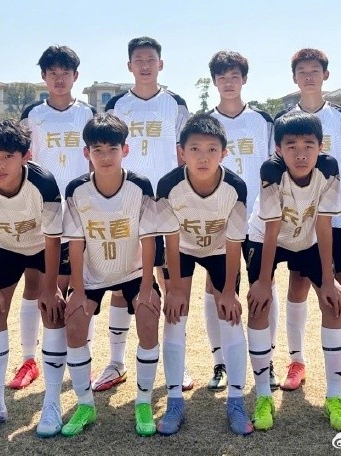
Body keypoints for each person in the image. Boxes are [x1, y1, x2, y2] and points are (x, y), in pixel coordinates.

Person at [0, 120, 67, 439]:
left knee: (53, 313)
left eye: (7, 156)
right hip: (6, 248)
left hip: (46, 247)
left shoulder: (43, 183)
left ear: (25, 156)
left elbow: (53, 238)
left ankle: (52, 402)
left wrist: (51, 287)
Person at [98, 36, 192, 393]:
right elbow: (104, 152)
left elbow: (184, 153)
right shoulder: (116, 104)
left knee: (171, 284)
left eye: (151, 59)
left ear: (160, 64)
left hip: (165, 205)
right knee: (122, 285)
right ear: (129, 66)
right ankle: (116, 362)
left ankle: (177, 365)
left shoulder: (175, 103)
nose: (145, 65)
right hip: (126, 204)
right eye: (138, 59)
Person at [246, 112, 341, 431]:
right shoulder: (271, 171)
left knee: (333, 303)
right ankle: (263, 395)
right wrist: (264, 282)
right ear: (278, 149)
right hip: (266, 239)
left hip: (307, 239)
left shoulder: (329, 168)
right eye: (291, 146)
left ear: (321, 146)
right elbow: (271, 228)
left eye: (308, 145)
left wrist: (329, 279)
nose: (301, 154)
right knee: (259, 305)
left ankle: (334, 396)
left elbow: (324, 223)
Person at [60, 113, 161, 437]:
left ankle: (143, 402)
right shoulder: (76, 189)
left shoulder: (140, 185)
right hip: (93, 274)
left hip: (133, 271)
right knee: (74, 326)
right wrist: (77, 290)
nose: (105, 157)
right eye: (97, 150)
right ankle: (85, 405)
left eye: (112, 149)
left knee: (148, 319)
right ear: (86, 152)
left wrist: (147, 287)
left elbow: (149, 239)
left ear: (125, 150)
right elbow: (75, 243)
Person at [156, 113, 252, 436]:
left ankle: (236, 400)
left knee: (230, 314)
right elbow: (170, 239)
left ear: (224, 153)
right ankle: (174, 401)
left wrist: (229, 291)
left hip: (220, 250)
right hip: (182, 250)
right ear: (181, 152)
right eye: (195, 149)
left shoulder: (235, 187)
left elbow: (235, 242)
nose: (203, 157)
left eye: (212, 150)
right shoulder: (168, 185)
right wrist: (174, 288)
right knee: (175, 314)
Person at [9, 45, 96, 391]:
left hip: (79, 210)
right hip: (39, 210)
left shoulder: (88, 113)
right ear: (43, 76)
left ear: (76, 76)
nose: (59, 79)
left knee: (81, 286)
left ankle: (82, 360)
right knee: (36, 286)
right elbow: (20, 160)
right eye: (53, 73)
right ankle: (29, 359)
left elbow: (96, 160)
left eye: (65, 73)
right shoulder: (32, 114)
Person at [274, 48, 341, 395]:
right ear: (294, 77)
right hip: (301, 217)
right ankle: (296, 360)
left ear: (326, 75)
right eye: (302, 71)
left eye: (314, 70)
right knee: (298, 283)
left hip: (338, 215)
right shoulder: (284, 119)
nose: (309, 76)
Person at [205, 50, 279, 392]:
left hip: (258, 221)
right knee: (217, 288)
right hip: (218, 221)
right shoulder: (205, 122)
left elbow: (275, 167)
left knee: (265, 287)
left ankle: (268, 361)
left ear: (244, 79)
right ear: (214, 81)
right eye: (222, 77)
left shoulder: (263, 121)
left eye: (234, 76)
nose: (228, 82)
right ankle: (220, 361)